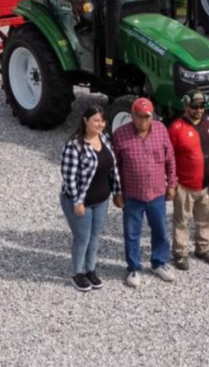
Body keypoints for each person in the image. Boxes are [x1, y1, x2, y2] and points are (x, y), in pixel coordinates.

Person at [112, 97, 178, 288]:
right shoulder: (120, 134)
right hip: (132, 195)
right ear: (132, 115)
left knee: (160, 230)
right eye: (139, 116)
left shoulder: (161, 129)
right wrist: (117, 192)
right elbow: (114, 167)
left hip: (157, 193)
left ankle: (159, 263)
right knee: (132, 233)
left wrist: (172, 184)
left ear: (152, 116)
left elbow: (170, 159)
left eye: (147, 116)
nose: (143, 120)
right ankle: (134, 267)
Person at [59, 105, 122, 292]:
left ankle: (90, 269)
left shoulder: (105, 139)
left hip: (101, 200)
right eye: (96, 120)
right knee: (82, 238)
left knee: (95, 236)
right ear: (85, 120)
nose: (100, 124)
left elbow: (113, 168)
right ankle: (77, 273)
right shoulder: (74, 146)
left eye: (102, 121)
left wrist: (117, 191)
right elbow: (69, 177)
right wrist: (77, 201)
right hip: (81, 202)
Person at [167, 90, 209, 270]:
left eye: (202, 106)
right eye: (195, 107)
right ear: (186, 106)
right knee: (182, 221)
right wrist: (172, 181)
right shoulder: (176, 127)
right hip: (184, 184)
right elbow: (169, 157)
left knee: (206, 218)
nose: (199, 110)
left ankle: (203, 248)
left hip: (208, 181)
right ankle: (180, 252)